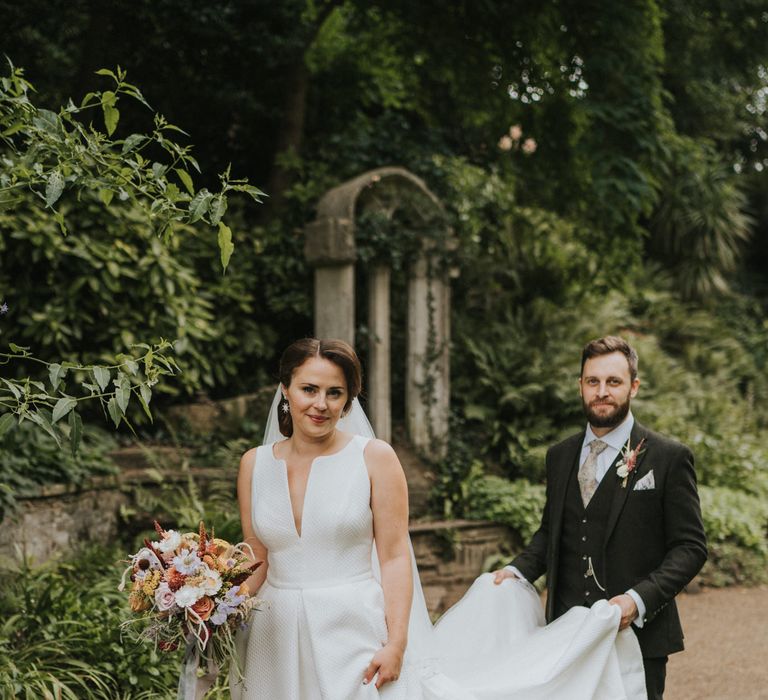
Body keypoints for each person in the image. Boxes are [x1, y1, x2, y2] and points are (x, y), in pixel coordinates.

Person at [231, 337, 648, 700]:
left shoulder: (373, 458)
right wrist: (212, 605)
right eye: (309, 389)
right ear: (285, 389)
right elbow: (257, 556)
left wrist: (397, 642)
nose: (321, 404)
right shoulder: (254, 465)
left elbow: (394, 557)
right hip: (274, 635)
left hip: (351, 632)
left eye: (335, 393)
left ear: (348, 400)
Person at [494, 335, 708, 700]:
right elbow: (551, 534)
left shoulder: (668, 457)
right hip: (566, 634)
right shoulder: (559, 456)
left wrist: (637, 601)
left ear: (634, 387)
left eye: (613, 382)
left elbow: (690, 547)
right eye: (593, 381)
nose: (602, 391)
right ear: (581, 385)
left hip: (639, 638)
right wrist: (514, 573)